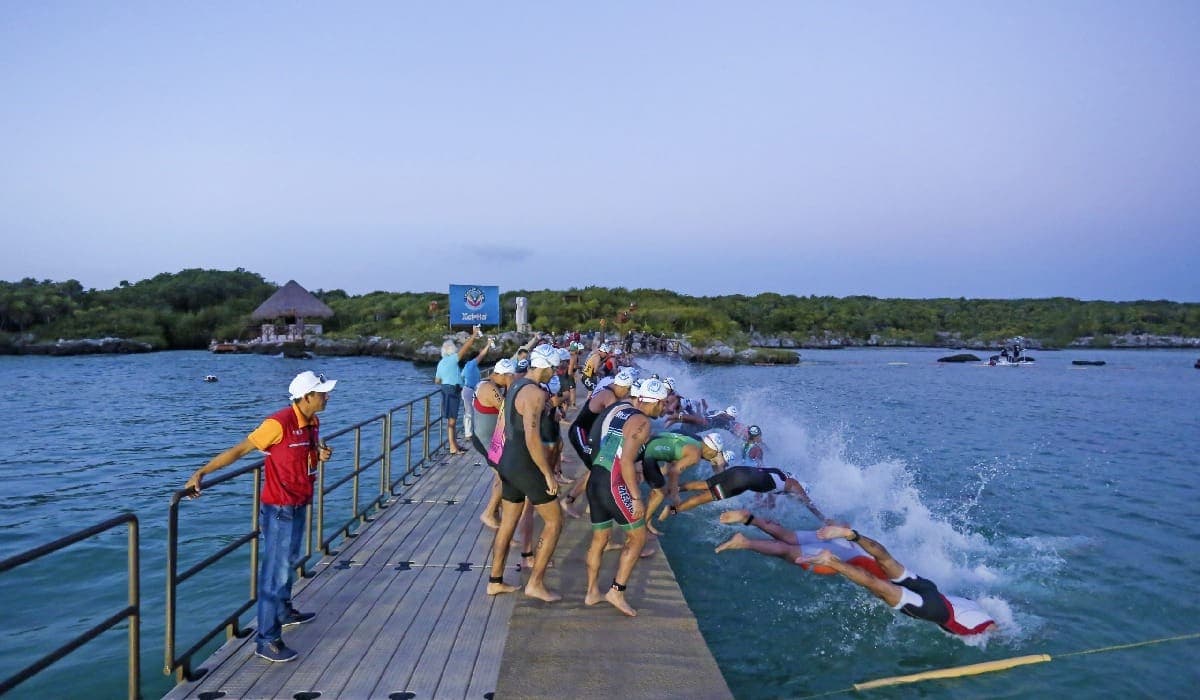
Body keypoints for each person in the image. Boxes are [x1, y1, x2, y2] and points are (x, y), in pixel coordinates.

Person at [183, 370, 336, 663]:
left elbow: (307, 452)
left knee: (288, 562)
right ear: (306, 397)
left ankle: (283, 611)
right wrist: (202, 472)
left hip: (300, 501)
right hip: (279, 509)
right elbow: (240, 450)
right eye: (322, 393)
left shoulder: (312, 422)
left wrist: (321, 454)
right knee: (274, 574)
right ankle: (266, 639)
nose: (327, 397)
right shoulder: (277, 424)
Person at [799, 525, 997, 636]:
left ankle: (851, 534)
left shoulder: (972, 604)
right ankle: (831, 561)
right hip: (934, 608)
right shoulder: (984, 628)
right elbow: (993, 633)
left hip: (930, 589)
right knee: (876, 585)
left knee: (887, 560)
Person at [583, 378, 669, 616]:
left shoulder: (623, 410)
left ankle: (591, 592)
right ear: (655, 402)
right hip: (612, 482)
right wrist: (635, 498)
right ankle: (616, 592)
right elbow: (628, 462)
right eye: (662, 404)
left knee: (600, 539)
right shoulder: (642, 422)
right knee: (638, 537)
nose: (664, 409)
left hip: (596, 477)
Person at [487, 345, 564, 602]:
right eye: (553, 368)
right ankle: (535, 584)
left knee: (508, 523)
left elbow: (503, 423)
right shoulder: (535, 394)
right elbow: (532, 439)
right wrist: (548, 473)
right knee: (554, 521)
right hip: (524, 464)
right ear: (545, 367)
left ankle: (495, 581)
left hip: (508, 462)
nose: (555, 373)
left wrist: (496, 458)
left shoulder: (516, 385)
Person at [713, 509, 886, 579]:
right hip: (847, 554)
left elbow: (850, 528)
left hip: (847, 541)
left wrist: (841, 529)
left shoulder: (890, 562)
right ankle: (744, 542)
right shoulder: (890, 582)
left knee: (787, 537)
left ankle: (750, 518)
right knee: (787, 550)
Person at [560, 369, 635, 517]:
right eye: (627, 391)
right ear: (620, 387)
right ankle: (570, 501)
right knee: (597, 469)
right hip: (580, 432)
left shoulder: (610, 389)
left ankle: (588, 503)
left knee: (596, 468)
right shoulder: (609, 397)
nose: (626, 394)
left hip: (587, 433)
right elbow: (613, 422)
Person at [659, 464, 830, 523]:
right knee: (702, 498)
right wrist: (823, 519)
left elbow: (767, 487)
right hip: (741, 482)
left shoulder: (779, 474)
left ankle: (667, 489)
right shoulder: (794, 485)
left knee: (703, 484)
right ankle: (671, 510)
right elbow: (809, 503)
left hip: (739, 471)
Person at [641, 431, 728, 535]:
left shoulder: (698, 441)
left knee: (662, 479)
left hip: (661, 441)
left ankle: (652, 502)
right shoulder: (698, 455)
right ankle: (644, 526)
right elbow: (694, 498)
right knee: (662, 493)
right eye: (715, 455)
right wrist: (674, 494)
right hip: (653, 452)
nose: (713, 458)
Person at [471, 358, 516, 530]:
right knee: (503, 476)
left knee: (500, 474)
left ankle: (496, 510)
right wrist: (512, 385)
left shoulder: (487, 383)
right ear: (504, 375)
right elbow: (508, 408)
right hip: (485, 440)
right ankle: (489, 513)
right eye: (510, 377)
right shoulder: (489, 388)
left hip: (492, 438)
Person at [434, 326, 485, 454]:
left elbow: (437, 381)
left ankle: (454, 444)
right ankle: (452, 447)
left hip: (445, 390)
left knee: (451, 419)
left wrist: (446, 377)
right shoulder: (452, 359)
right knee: (452, 420)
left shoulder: (441, 363)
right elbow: (466, 347)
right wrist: (474, 335)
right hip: (453, 390)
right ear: (452, 349)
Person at [459, 335, 494, 440]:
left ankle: (472, 432)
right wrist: (488, 344)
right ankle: (468, 434)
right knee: (469, 412)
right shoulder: (471, 364)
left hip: (470, 389)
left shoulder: (468, 367)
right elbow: (482, 355)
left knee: (472, 411)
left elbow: (462, 377)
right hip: (469, 390)